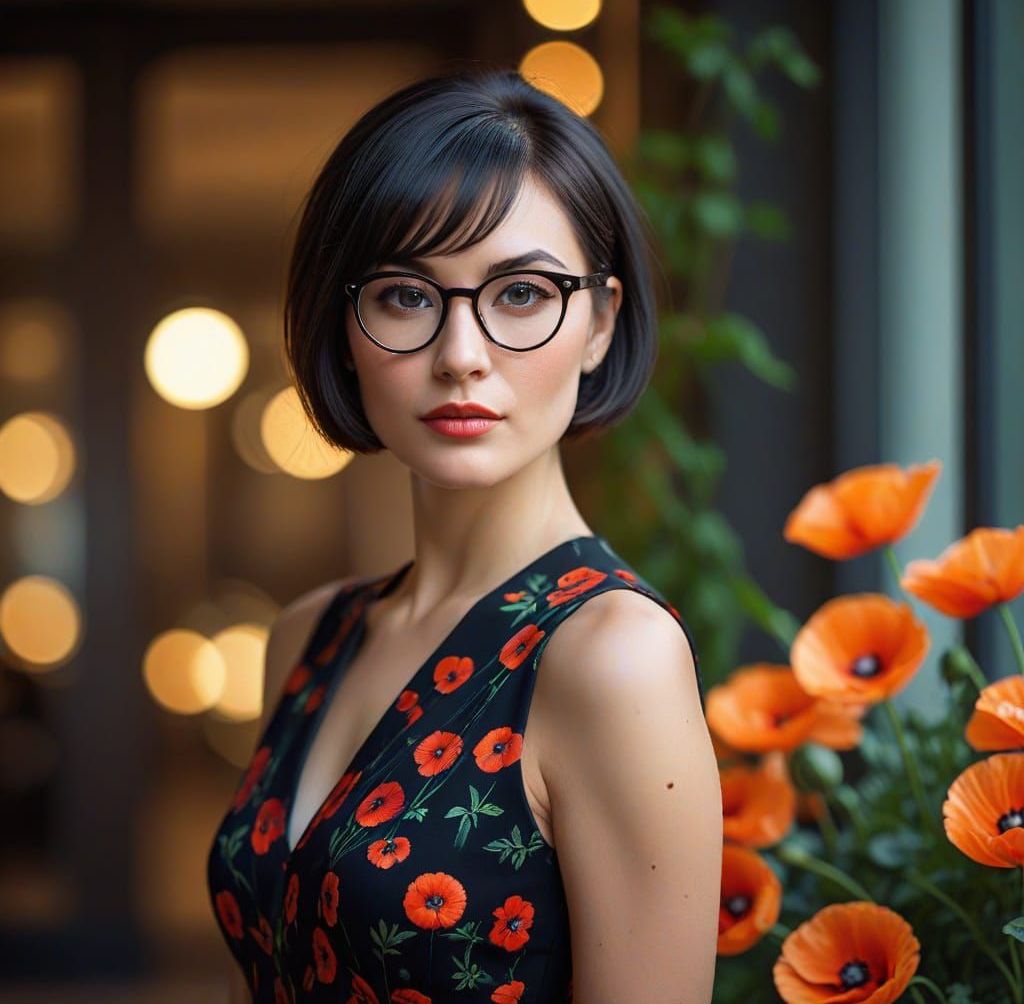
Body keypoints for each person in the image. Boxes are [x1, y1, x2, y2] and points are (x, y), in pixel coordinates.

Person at [207, 66, 721, 1004]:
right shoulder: (307, 635)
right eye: (406, 295)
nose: (461, 356)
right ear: (344, 325)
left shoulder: (614, 657)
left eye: (522, 292)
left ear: (600, 322)